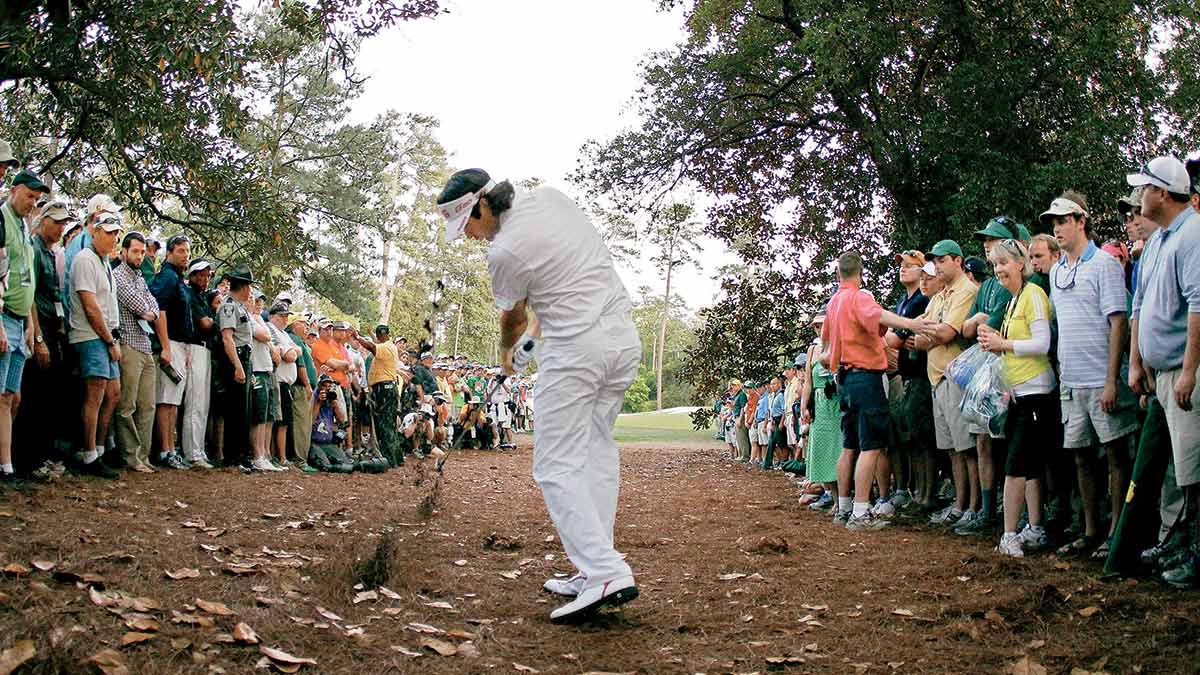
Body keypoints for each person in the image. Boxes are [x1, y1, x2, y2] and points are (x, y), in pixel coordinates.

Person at [437, 168, 640, 624]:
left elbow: (512, 315)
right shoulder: (551, 198)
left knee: (555, 465)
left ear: (483, 207)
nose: (469, 236)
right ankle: (593, 567)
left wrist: (509, 352)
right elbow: (566, 279)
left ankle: (605, 570)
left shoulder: (504, 250)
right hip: (622, 341)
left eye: (468, 224)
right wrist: (533, 335)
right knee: (595, 454)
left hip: (576, 355)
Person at [1042, 190, 1138, 559]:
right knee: (1081, 456)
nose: (1058, 228)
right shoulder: (1059, 271)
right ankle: (1091, 530)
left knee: (1115, 455)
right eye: (1054, 222)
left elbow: (1118, 323)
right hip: (1072, 380)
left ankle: (1118, 531)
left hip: (1102, 378)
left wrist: (1113, 378)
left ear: (1081, 221)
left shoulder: (1105, 265)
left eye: (1063, 220)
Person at [821, 251, 935, 531]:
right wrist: (912, 323)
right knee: (871, 447)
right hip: (866, 379)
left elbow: (825, 348)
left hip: (844, 380)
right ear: (860, 274)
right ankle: (861, 512)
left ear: (838, 274)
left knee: (849, 446)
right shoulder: (860, 297)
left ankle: (844, 507)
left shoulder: (833, 303)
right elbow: (877, 315)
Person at [1127, 156, 1200, 588]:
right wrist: (1137, 360)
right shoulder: (1157, 241)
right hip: (1161, 372)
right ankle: (1179, 540)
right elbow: (1140, 305)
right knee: (1177, 466)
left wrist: (1190, 371)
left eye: (1144, 189)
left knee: (1194, 469)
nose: (1139, 198)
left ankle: (1196, 553)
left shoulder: (1193, 234)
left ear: (1162, 193)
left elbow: (1199, 306)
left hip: (1184, 370)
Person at [976, 239, 1056, 556]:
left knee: (1015, 466)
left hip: (1037, 392)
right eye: (995, 265)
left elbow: (1042, 343)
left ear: (1020, 265)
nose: (998, 270)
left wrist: (1002, 344)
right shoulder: (1013, 301)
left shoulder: (1033, 295)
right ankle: (1035, 527)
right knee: (1030, 465)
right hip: (1019, 393)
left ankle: (1009, 534)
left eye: (1004, 263)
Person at [957, 217, 1025, 536]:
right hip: (985, 375)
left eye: (994, 238)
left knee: (1013, 442)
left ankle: (1019, 514)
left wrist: (982, 322)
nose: (987, 243)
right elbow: (968, 327)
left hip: (1011, 369)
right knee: (983, 440)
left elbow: (992, 325)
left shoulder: (1018, 280)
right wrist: (981, 320)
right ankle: (987, 510)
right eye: (985, 239)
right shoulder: (986, 286)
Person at [912, 240, 980, 527]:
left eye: (941, 260)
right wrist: (931, 334)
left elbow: (948, 333)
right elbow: (917, 337)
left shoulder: (966, 291)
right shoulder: (939, 296)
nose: (937, 266)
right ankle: (960, 503)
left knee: (967, 448)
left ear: (957, 260)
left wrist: (930, 335)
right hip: (937, 378)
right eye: (935, 261)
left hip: (957, 376)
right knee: (952, 449)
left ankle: (974, 506)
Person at [0, 170, 49, 481]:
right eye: (29, 196)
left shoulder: (24, 225)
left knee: (10, 396)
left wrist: (31, 324)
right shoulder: (2, 219)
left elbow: (27, 279)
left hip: (21, 319)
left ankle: (6, 463)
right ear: (14, 190)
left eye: (37, 199)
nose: (33, 203)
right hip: (4, 317)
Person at [68, 212, 124, 479]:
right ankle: (88, 454)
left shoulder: (104, 263)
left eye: (116, 233)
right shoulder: (84, 260)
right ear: (95, 231)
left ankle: (99, 449)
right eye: (109, 232)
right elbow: (91, 307)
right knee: (96, 392)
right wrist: (110, 340)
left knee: (113, 393)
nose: (114, 237)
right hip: (90, 335)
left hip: (106, 336)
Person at [20, 199, 72, 479]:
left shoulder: (52, 253)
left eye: (65, 222)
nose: (62, 227)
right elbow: (31, 296)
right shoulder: (34, 249)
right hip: (38, 332)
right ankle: (30, 460)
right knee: (35, 398)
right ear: (44, 221)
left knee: (50, 397)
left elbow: (54, 296)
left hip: (54, 332)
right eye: (58, 222)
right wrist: (38, 338)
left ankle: (44, 457)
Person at [113, 232, 169, 473]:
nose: (139, 256)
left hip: (145, 345)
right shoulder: (117, 276)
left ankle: (143, 457)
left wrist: (149, 311)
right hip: (128, 343)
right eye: (135, 251)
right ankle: (129, 456)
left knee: (147, 406)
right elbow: (137, 305)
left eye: (142, 252)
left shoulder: (139, 277)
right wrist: (148, 311)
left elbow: (152, 306)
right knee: (127, 405)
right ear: (124, 251)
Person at [884, 250, 933, 512]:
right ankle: (917, 492)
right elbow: (893, 338)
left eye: (910, 266)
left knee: (923, 438)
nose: (903, 269)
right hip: (908, 375)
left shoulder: (921, 301)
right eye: (901, 265)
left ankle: (927, 495)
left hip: (921, 373)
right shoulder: (904, 302)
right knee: (912, 437)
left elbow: (894, 340)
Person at [148, 233, 191, 468]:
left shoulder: (176, 278)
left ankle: (171, 449)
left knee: (174, 400)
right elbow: (159, 310)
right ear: (170, 252)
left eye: (188, 251)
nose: (186, 255)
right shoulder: (166, 276)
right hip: (169, 342)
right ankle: (164, 450)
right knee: (166, 399)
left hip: (179, 344)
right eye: (181, 251)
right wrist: (165, 346)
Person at [216, 265, 255, 468]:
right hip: (235, 359)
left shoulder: (240, 307)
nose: (251, 291)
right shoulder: (229, 306)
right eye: (249, 286)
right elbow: (227, 338)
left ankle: (241, 454)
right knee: (235, 410)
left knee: (244, 410)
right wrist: (238, 366)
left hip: (244, 357)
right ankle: (232, 456)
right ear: (244, 286)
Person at [800, 312, 841, 512]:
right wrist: (804, 405)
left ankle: (844, 499)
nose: (819, 329)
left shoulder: (840, 344)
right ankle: (833, 497)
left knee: (838, 450)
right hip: (819, 405)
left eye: (822, 325)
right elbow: (808, 381)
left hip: (836, 403)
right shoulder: (812, 350)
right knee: (822, 451)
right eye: (816, 326)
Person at [181, 258, 215, 467]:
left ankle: (199, 450)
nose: (204, 278)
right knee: (194, 402)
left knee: (203, 404)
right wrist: (213, 319)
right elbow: (204, 323)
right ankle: (192, 452)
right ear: (192, 276)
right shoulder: (190, 295)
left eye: (207, 275)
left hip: (206, 349)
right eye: (200, 274)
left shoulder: (203, 298)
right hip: (194, 347)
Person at [354, 324, 403, 467]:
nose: (380, 338)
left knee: (384, 424)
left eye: (380, 335)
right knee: (388, 424)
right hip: (386, 388)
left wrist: (358, 337)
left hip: (384, 388)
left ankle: (389, 458)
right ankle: (396, 457)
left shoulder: (386, 347)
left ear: (386, 336)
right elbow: (377, 343)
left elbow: (373, 347)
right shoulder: (387, 345)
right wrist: (370, 334)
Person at [285, 312, 317, 472]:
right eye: (303, 323)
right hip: (300, 387)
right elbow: (300, 366)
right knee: (301, 425)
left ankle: (301, 458)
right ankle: (300, 460)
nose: (307, 327)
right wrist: (307, 385)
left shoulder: (301, 342)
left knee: (304, 424)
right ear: (294, 324)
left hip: (305, 387)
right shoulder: (295, 339)